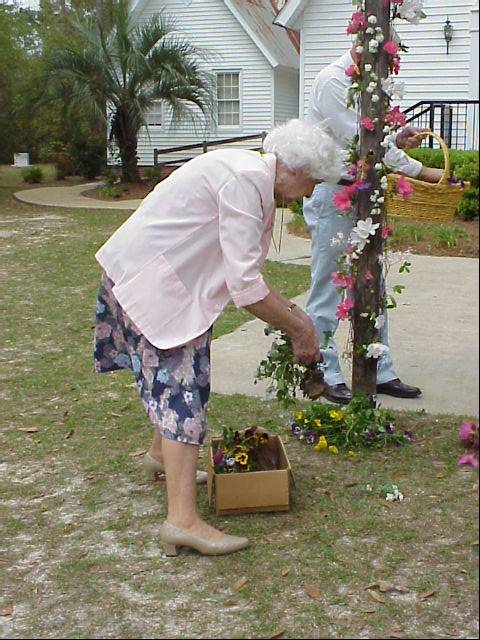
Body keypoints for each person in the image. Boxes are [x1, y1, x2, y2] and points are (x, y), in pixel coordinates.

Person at [93, 119, 343, 556]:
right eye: (314, 182)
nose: (311, 193)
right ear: (295, 170)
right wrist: (300, 326)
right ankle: (181, 521)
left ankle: (160, 456)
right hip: (150, 282)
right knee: (182, 393)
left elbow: (241, 269)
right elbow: (245, 286)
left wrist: (293, 316)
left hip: (156, 275)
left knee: (183, 380)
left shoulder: (251, 174)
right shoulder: (245, 181)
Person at [304, 46, 444, 405]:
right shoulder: (332, 81)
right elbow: (361, 142)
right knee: (330, 284)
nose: (385, 68)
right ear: (360, 48)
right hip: (332, 192)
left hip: (366, 192)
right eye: (382, 59)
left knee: (372, 281)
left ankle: (379, 368)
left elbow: (374, 137)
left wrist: (397, 138)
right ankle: (325, 372)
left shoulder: (367, 83)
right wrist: (421, 171)